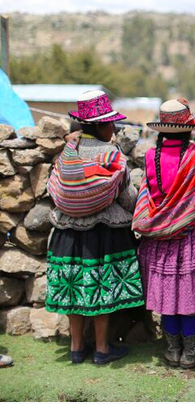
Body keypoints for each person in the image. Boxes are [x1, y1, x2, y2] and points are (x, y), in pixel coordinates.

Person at [133, 99, 195, 369]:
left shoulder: (150, 157)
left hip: (161, 234)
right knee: (192, 292)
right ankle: (191, 353)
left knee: (169, 293)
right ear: (189, 128)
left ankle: (172, 349)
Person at [46, 90, 144, 365]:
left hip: (67, 232)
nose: (114, 129)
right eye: (111, 123)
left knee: (74, 287)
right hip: (105, 233)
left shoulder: (68, 152)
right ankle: (102, 349)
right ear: (101, 125)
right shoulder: (112, 154)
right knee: (103, 287)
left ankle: (76, 348)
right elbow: (126, 197)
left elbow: (55, 189)